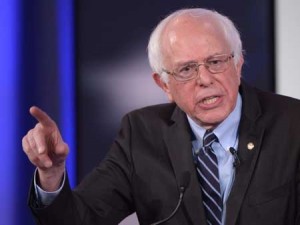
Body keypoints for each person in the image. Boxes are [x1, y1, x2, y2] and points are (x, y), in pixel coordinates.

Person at [22, 8, 300, 225]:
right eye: (187, 70)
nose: (205, 79)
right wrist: (51, 173)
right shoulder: (141, 133)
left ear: (238, 64)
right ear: (164, 85)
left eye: (216, 62)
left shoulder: (293, 125)